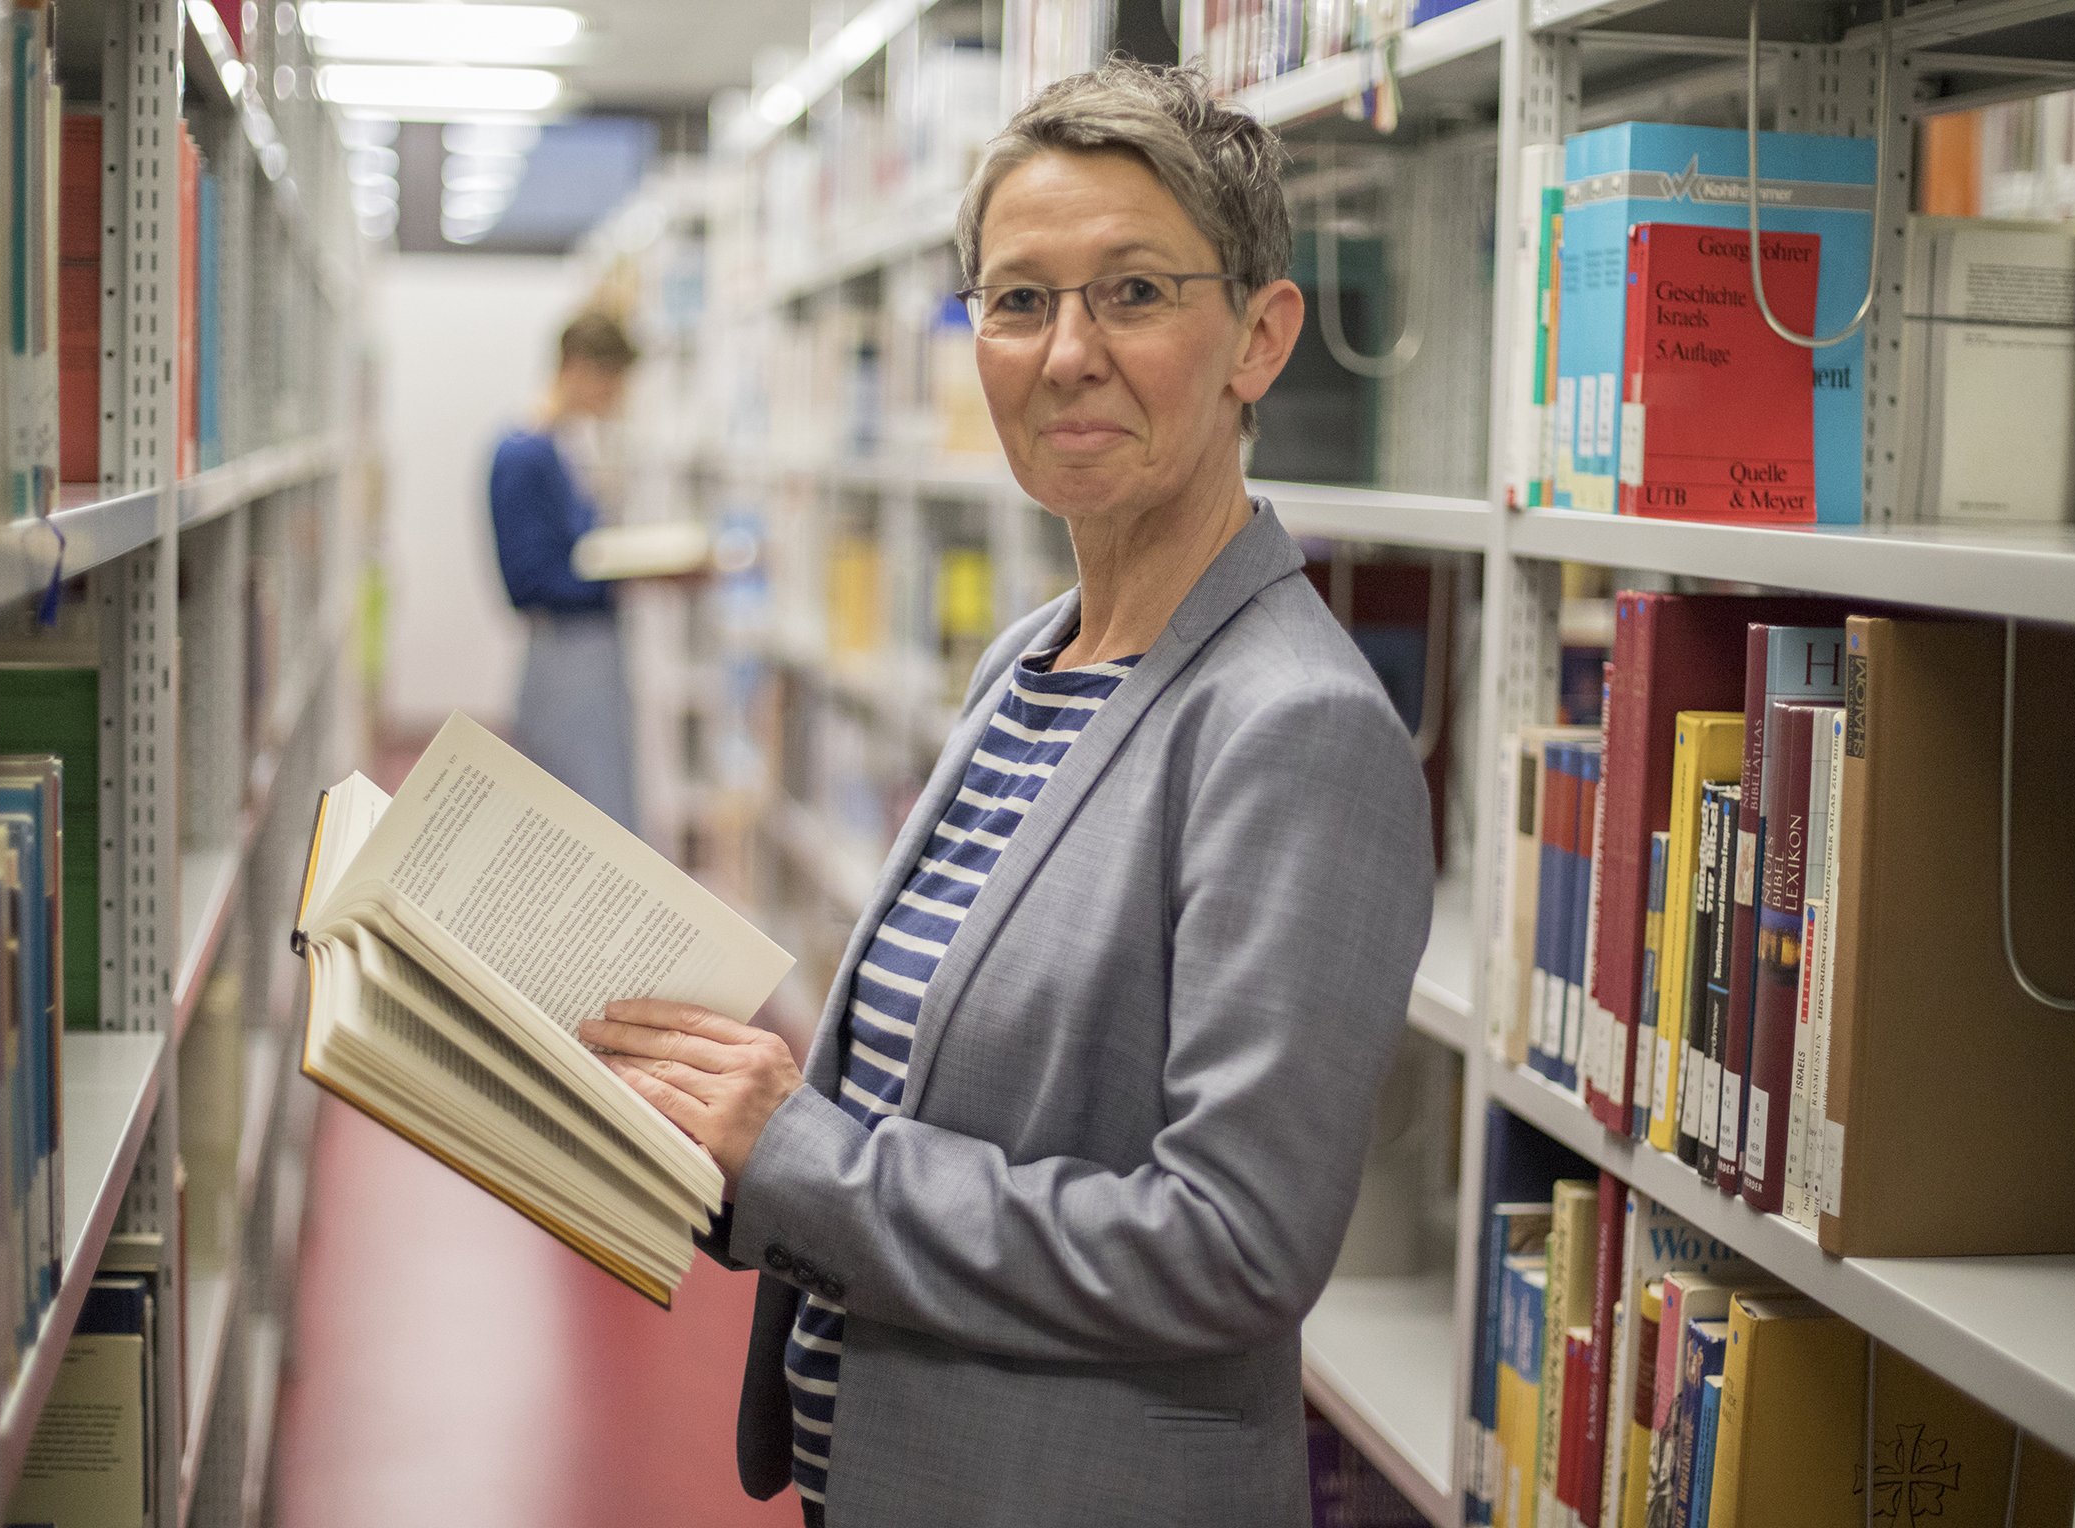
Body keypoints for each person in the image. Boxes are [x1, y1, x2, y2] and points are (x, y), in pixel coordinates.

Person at [579, 59, 1437, 1527]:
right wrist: (718, 1145)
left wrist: (803, 1159)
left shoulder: (1293, 728)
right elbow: (927, 1103)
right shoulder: (1028, 662)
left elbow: (1231, 1247)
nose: (1066, 354)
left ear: (1260, 336)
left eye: (1134, 293)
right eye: (1019, 300)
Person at [488, 311, 642, 832]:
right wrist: (627, 574)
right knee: (586, 823)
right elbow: (528, 580)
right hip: (565, 658)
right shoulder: (523, 455)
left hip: (587, 653)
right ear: (578, 368)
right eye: (612, 381)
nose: (617, 398)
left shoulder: (561, 451)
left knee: (601, 813)